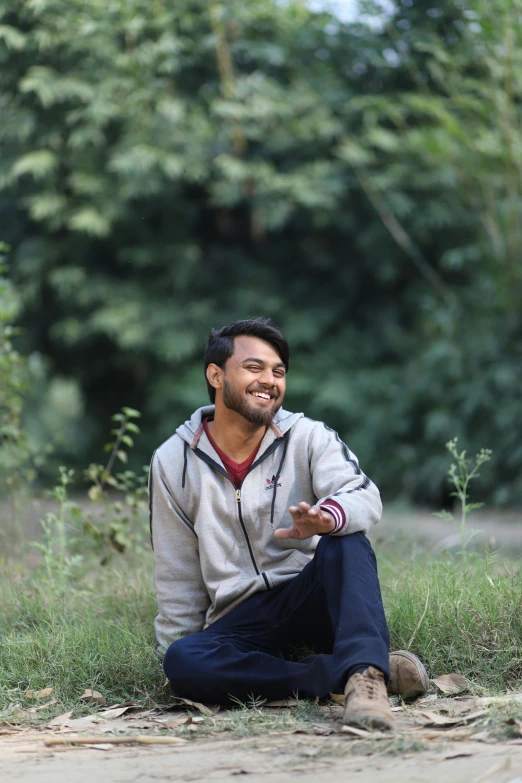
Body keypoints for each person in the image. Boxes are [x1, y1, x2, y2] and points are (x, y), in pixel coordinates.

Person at [149, 318, 428, 728]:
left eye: (278, 372)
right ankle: (340, 673)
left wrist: (327, 519)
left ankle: (366, 682)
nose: (270, 380)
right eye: (254, 367)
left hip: (309, 596)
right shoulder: (173, 462)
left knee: (346, 541)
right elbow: (177, 574)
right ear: (216, 374)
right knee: (183, 660)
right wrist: (178, 667)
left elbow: (362, 494)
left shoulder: (309, 437)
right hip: (239, 619)